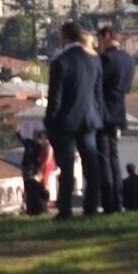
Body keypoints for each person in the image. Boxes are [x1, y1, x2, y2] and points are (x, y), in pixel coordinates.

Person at [43, 22, 107, 221]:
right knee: (91, 164)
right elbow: (98, 94)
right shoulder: (94, 61)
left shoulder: (60, 62)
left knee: (67, 167)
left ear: (65, 37)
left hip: (66, 122)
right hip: (89, 120)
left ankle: (65, 208)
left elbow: (55, 98)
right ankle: (92, 205)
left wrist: (49, 121)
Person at [94, 24, 137, 214]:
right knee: (114, 157)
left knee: (103, 158)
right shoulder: (129, 60)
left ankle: (109, 201)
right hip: (118, 111)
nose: (99, 44)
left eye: (100, 40)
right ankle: (118, 200)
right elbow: (127, 88)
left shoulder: (105, 60)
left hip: (102, 112)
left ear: (107, 36)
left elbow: (96, 86)